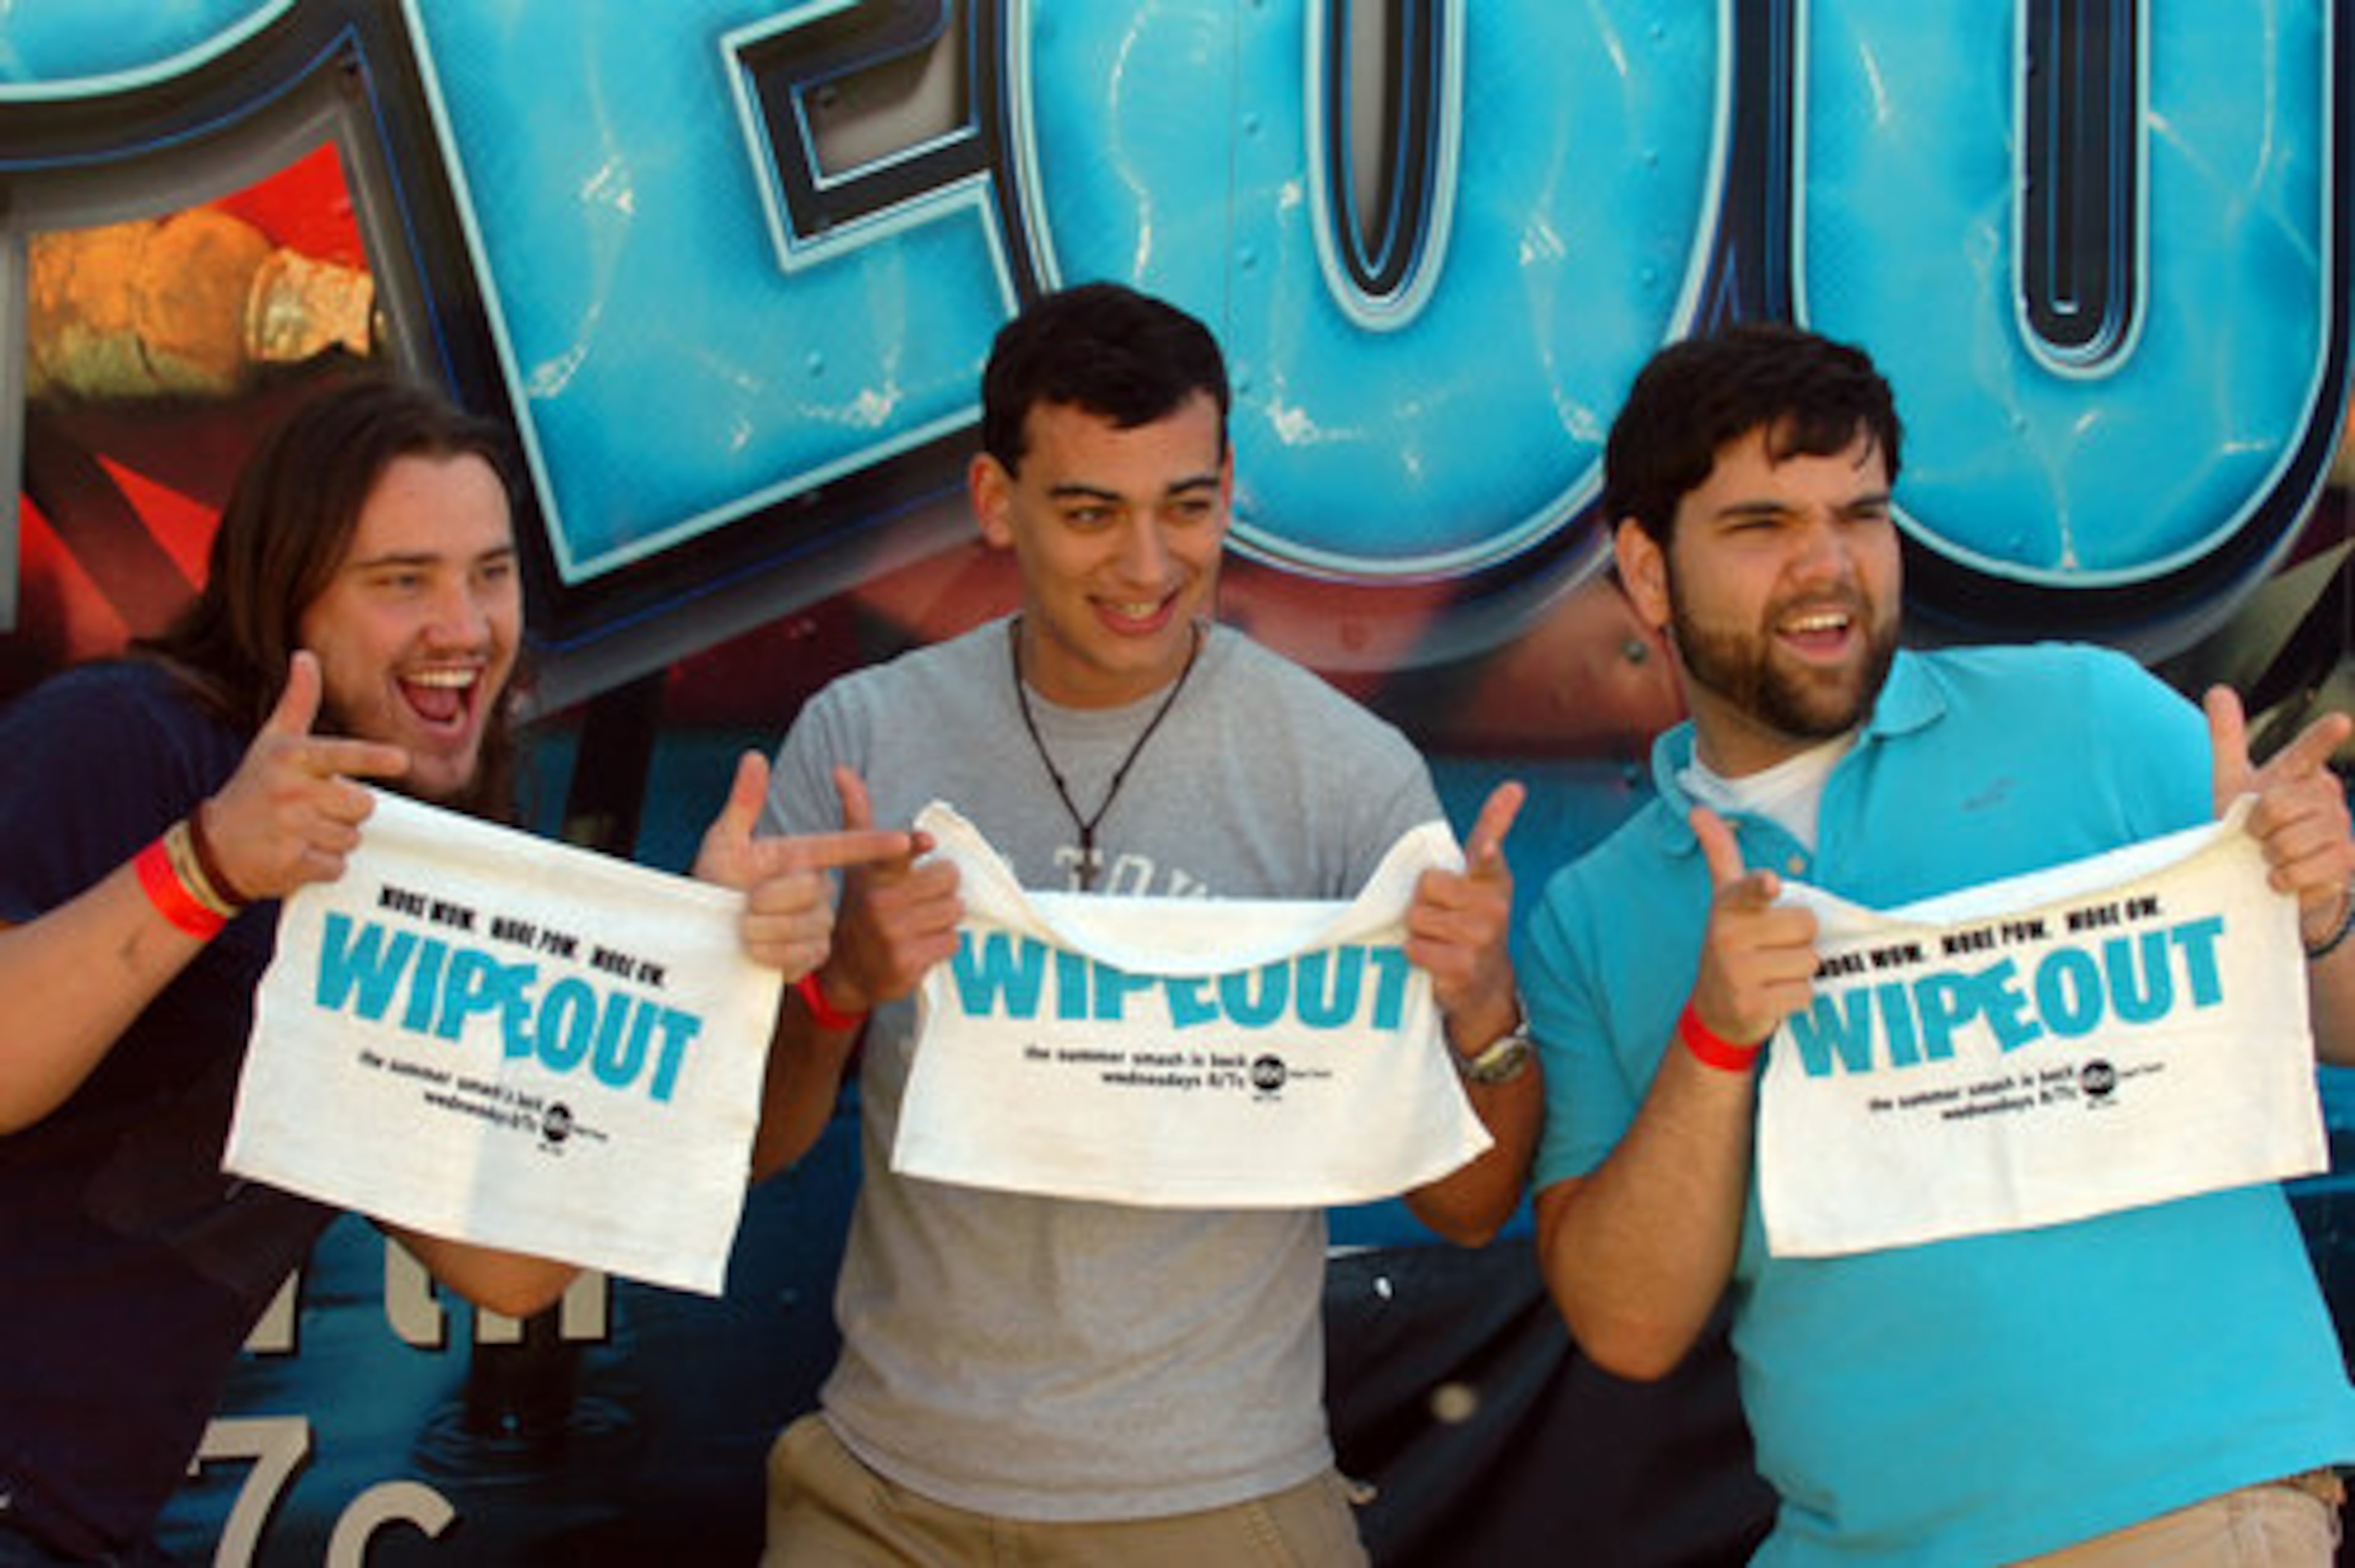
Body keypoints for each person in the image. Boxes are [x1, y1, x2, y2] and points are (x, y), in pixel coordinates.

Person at [0, 376, 889, 1564]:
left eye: (490, 572)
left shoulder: (405, 862)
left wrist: (721, 977)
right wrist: (205, 868)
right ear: (289, 599)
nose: (465, 625)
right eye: (402, 579)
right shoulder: (127, 736)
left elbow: (511, 1262)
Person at [1525, 321, 2355, 1564]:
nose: (1828, 567)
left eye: (1859, 515)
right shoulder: (1596, 914)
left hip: (2184, 1503)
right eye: (1762, 528)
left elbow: (2343, 1023)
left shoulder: (2092, 718)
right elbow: (1629, 1325)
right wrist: (1713, 1040)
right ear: (1647, 571)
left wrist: (2324, 907)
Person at [742, 281, 1543, 1565]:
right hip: (887, 1497)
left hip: (1220, 1503)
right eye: (1090, 512)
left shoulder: (1347, 776)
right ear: (995, 502)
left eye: (1187, 506)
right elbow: (753, 1148)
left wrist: (1483, 1008)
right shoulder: (864, 739)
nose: (1148, 565)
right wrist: (841, 987)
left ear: (1230, 484)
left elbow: (1466, 1203)